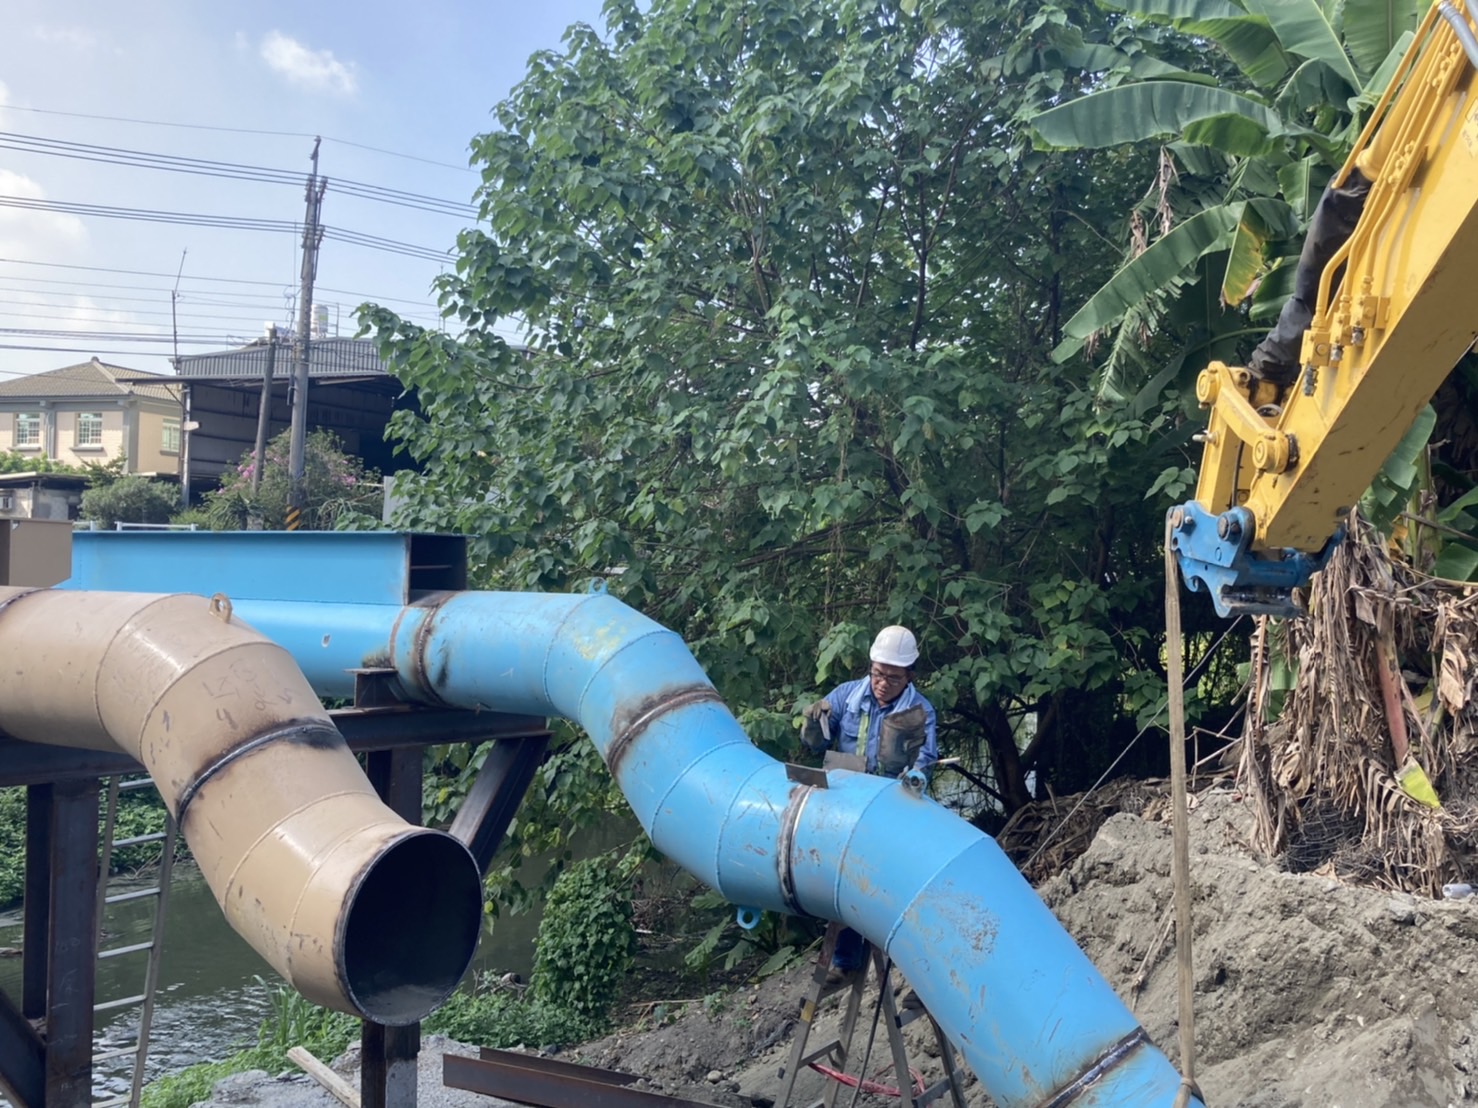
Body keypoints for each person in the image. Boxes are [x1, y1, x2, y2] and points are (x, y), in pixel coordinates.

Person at [798, 625, 938, 985]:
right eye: (878, 673)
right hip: (846, 806)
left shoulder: (920, 711)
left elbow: (925, 760)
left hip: (890, 809)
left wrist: (915, 780)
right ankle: (846, 961)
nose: (882, 683)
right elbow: (817, 741)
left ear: (909, 676)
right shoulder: (847, 695)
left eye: (892, 677)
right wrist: (813, 725)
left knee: (899, 889)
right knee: (843, 878)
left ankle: (922, 981)